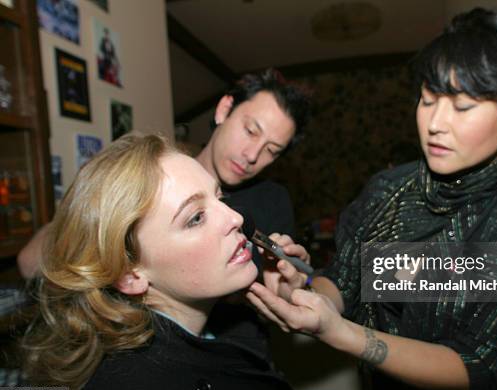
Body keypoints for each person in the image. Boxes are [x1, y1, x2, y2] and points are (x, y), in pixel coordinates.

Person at [247, 8, 497, 390]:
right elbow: (344, 279)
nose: (435, 124)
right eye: (427, 100)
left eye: (462, 107)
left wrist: (340, 332)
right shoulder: (386, 190)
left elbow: (482, 367)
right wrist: (307, 292)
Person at [17, 68, 311, 357]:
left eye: (272, 150)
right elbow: (30, 262)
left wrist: (287, 294)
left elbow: (288, 293)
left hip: (240, 360)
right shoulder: (149, 178)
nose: (252, 156)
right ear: (224, 109)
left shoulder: (273, 200)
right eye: (250, 130)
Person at [21, 134, 298, 390]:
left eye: (220, 197)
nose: (236, 218)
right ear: (130, 275)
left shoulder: (234, 324)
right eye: (196, 218)